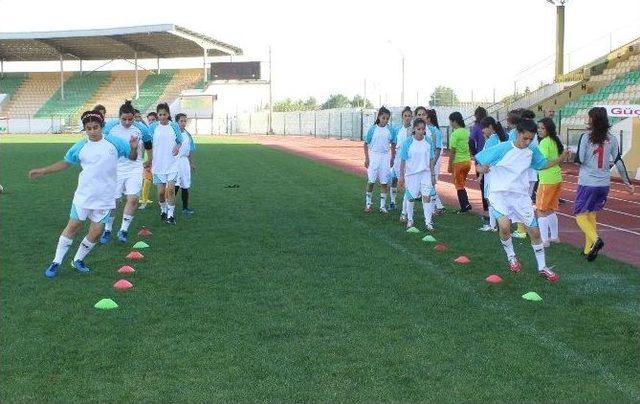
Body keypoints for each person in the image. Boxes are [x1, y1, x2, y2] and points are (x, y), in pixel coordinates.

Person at [28, 110, 138, 278]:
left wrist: (133, 148)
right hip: (84, 196)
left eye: (96, 127)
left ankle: (78, 260)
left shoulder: (115, 143)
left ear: (102, 126)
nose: (93, 131)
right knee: (73, 226)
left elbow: (132, 157)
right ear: (85, 129)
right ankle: (56, 262)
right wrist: (44, 170)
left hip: (106, 197)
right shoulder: (80, 146)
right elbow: (66, 162)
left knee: (96, 232)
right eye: (89, 128)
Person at [475, 118, 569, 282]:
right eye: (525, 138)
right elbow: (478, 162)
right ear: (517, 133)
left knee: (535, 231)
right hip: (499, 194)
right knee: (504, 226)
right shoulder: (502, 148)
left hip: (520, 196)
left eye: (531, 139)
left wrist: (560, 159)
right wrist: (480, 168)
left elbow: (542, 164)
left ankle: (542, 268)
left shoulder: (531, 151)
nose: (528, 142)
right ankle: (512, 257)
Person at [572, 107, 635, 261]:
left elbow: (581, 160)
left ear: (592, 119)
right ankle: (588, 249)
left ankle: (596, 240)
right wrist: (627, 182)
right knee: (591, 214)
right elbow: (618, 161)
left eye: (589, 117)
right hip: (604, 183)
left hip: (588, 182)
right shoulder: (612, 138)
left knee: (580, 215)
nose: (587, 120)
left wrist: (574, 157)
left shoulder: (586, 137)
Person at [99, 100, 152, 243]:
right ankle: (108, 230)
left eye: (130, 119)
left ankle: (123, 230)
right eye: (124, 119)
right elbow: (100, 144)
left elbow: (148, 145)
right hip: (115, 168)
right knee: (113, 201)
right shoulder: (109, 128)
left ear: (134, 117)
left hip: (135, 167)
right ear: (119, 117)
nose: (127, 122)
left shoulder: (141, 128)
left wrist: (150, 160)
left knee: (133, 198)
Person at [148, 103, 183, 224]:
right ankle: (163, 209)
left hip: (172, 164)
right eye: (160, 114)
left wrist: (177, 147)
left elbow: (179, 141)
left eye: (164, 114)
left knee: (171, 191)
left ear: (168, 114)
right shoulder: (153, 127)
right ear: (157, 115)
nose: (162, 116)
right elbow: (147, 142)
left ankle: (171, 215)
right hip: (158, 165)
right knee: (161, 193)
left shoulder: (174, 126)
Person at [398, 118, 436, 231]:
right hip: (411, 174)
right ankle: (410, 219)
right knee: (410, 198)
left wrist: (433, 175)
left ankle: (428, 222)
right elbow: (403, 161)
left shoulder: (428, 141)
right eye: (418, 129)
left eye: (423, 129)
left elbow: (431, 160)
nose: (421, 131)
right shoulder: (408, 142)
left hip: (425, 173)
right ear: (414, 129)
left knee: (427, 197)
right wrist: (401, 176)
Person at [536, 118, 564, 247]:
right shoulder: (555, 140)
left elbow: (543, 163)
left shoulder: (544, 142)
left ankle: (544, 240)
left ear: (548, 129)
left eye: (542, 128)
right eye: (538, 128)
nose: (539, 130)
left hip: (547, 180)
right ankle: (554, 237)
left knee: (541, 210)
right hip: (557, 178)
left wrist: (536, 165)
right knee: (551, 209)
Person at [363, 106, 397, 213]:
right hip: (374, 156)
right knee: (371, 181)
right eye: (383, 118)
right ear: (379, 117)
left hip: (385, 157)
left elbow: (393, 143)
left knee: (384, 182)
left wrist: (392, 157)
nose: (385, 120)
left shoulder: (390, 129)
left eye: (387, 118)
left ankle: (382, 206)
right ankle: (368, 204)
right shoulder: (372, 129)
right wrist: (367, 158)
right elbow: (365, 144)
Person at [477, 116, 508, 231]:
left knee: (491, 199)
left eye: (484, 128)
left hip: (492, 172)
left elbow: (486, 158)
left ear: (490, 127)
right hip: (503, 173)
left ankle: (493, 225)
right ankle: (501, 224)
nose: (482, 130)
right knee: (501, 199)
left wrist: (480, 174)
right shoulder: (504, 137)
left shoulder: (491, 140)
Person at [447, 111, 472, 213]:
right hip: (467, 161)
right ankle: (465, 204)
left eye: (451, 121)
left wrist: (449, 165)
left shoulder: (455, 134)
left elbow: (452, 151)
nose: (450, 124)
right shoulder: (467, 132)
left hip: (458, 162)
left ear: (455, 121)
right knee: (462, 184)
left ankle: (465, 206)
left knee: (459, 185)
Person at [390, 106, 412, 216]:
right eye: (405, 116)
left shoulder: (413, 130)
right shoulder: (397, 129)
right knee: (394, 179)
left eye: (409, 116)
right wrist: (392, 157)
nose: (407, 118)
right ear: (402, 117)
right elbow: (394, 144)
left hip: (408, 160)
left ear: (411, 117)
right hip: (397, 159)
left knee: (406, 183)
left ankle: (405, 210)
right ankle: (393, 202)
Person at [175, 113, 196, 215]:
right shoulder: (173, 134)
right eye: (181, 121)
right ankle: (168, 208)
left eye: (185, 121)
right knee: (174, 185)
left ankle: (185, 208)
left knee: (185, 185)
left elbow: (191, 149)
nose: (183, 123)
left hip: (184, 162)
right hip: (174, 162)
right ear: (177, 122)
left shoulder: (188, 135)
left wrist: (191, 163)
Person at [426, 109, 445, 214]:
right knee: (429, 183)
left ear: (429, 119)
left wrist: (433, 162)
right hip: (431, 159)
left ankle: (436, 207)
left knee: (431, 183)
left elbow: (437, 149)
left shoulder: (435, 131)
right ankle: (437, 206)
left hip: (434, 160)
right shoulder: (428, 129)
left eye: (425, 116)